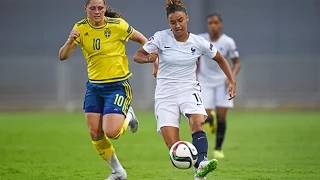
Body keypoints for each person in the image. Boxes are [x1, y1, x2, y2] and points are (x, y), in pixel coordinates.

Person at [133, 0, 236, 179]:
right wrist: (149, 59)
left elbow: (220, 58)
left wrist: (231, 80)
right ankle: (197, 167)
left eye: (180, 20)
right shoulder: (160, 37)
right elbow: (137, 55)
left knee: (197, 123)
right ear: (168, 23)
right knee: (175, 147)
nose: (177, 25)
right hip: (165, 94)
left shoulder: (198, 42)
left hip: (189, 89)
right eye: (173, 22)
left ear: (187, 18)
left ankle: (202, 163)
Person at [58, 0, 148, 179]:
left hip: (118, 85)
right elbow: (63, 56)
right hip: (94, 87)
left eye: (100, 8)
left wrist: (151, 57)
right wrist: (70, 41)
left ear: (105, 9)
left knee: (112, 132)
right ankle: (118, 171)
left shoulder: (118, 25)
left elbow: (143, 40)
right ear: (86, 10)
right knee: (95, 133)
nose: (97, 11)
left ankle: (128, 115)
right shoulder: (80, 28)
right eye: (93, 8)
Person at [197, 13, 241, 159]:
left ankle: (218, 149)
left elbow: (236, 63)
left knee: (222, 116)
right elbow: (194, 58)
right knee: (204, 115)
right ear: (207, 25)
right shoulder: (200, 39)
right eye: (210, 23)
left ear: (220, 24)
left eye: (215, 23)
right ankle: (211, 121)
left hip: (222, 82)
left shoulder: (228, 42)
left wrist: (231, 77)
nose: (213, 26)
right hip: (204, 81)